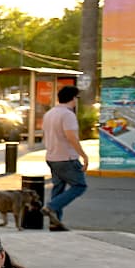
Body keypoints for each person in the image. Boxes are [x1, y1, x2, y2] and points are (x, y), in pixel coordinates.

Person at [42, 85, 87, 230]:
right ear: (73, 98)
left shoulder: (49, 114)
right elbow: (71, 136)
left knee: (58, 188)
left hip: (52, 157)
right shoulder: (68, 115)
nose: (76, 101)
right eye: (76, 98)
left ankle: (55, 223)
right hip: (67, 157)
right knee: (79, 186)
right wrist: (83, 155)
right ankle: (51, 207)